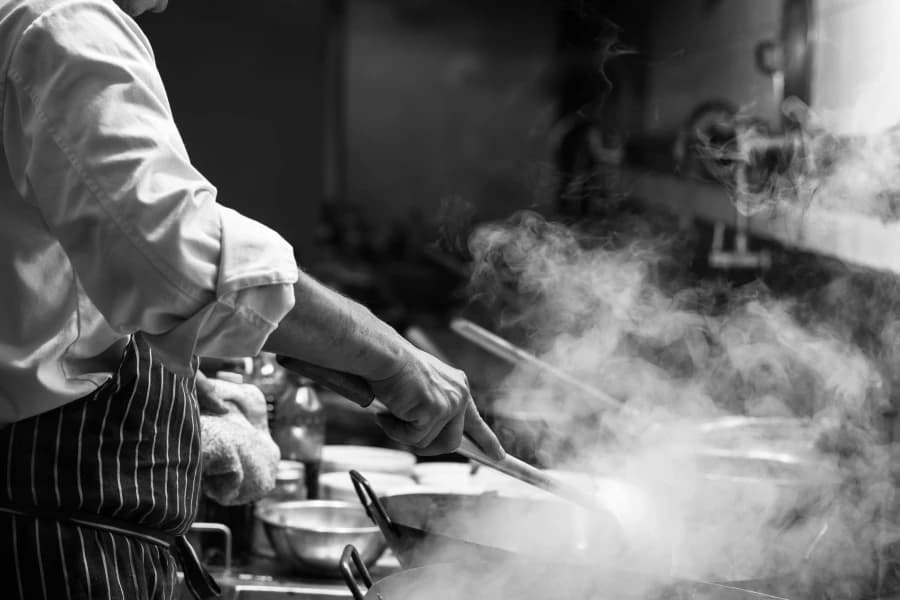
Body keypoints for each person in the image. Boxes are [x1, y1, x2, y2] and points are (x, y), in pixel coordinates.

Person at [0, 0, 505, 598]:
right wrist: (392, 357)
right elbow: (177, 261)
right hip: (51, 543)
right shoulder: (61, 23)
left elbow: (61, 292)